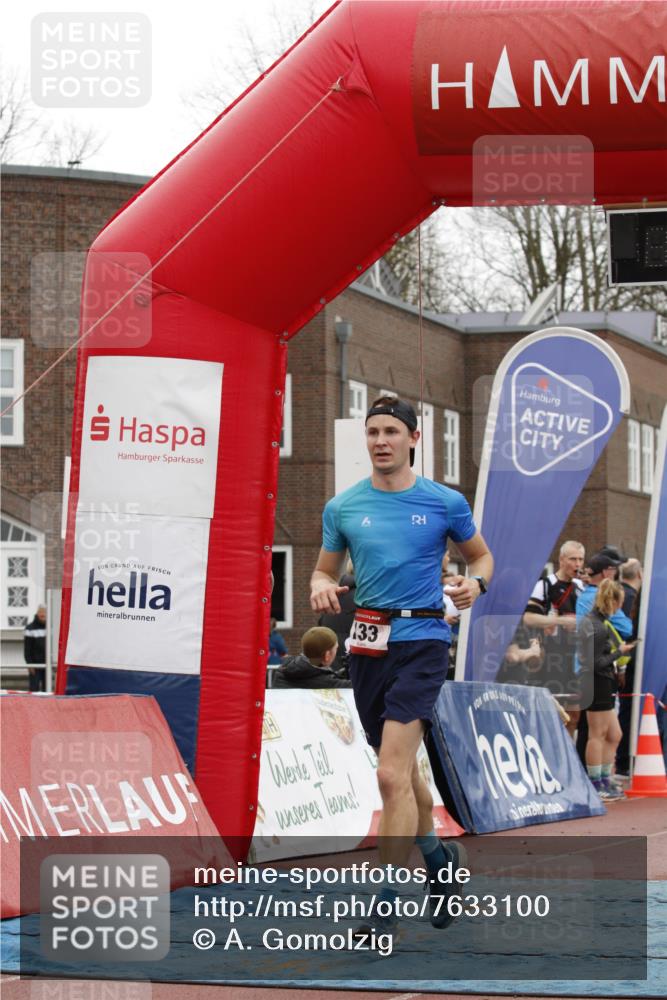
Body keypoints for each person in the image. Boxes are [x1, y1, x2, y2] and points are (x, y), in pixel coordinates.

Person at [310, 395, 493, 936]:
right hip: (368, 645)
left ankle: (386, 901)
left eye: (391, 431)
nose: (381, 441)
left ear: (414, 439)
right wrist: (320, 585)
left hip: (423, 642)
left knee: (389, 774)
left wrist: (476, 584)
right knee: (402, 773)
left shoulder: (443, 502)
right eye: (373, 432)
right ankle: (440, 862)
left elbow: (480, 557)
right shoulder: (343, 507)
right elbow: (323, 571)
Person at [577, 579, 636, 801]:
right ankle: (595, 783)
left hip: (601, 681)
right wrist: (618, 652)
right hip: (595, 682)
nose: (620, 608)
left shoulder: (597, 622)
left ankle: (603, 778)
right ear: (613, 601)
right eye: (620, 603)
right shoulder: (596, 625)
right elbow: (593, 662)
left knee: (614, 734)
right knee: (597, 734)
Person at [522, 541, 585, 738]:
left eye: (581, 559)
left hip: (574, 657)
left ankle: (567, 752)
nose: (577, 564)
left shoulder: (581, 587)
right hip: (551, 658)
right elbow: (528, 618)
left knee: (573, 715)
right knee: (551, 714)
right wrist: (559, 621)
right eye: (573, 559)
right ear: (561, 559)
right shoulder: (545, 585)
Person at [615, 559, 642, 775]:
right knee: (627, 711)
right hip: (627, 663)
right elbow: (625, 632)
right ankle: (624, 761)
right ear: (639, 575)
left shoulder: (621, 594)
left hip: (619, 663)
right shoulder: (633, 598)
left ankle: (623, 761)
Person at [271, 626, 351, 689]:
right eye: (336, 648)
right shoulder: (328, 683)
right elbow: (354, 686)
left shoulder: (283, 670)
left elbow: (312, 675)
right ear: (327, 655)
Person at [24, 605, 46, 692]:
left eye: (44, 613)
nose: (43, 615)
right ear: (37, 614)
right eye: (41, 613)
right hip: (35, 665)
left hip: (47, 665)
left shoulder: (51, 627)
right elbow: (27, 649)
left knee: (47, 690)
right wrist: (30, 664)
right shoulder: (30, 629)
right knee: (34, 689)